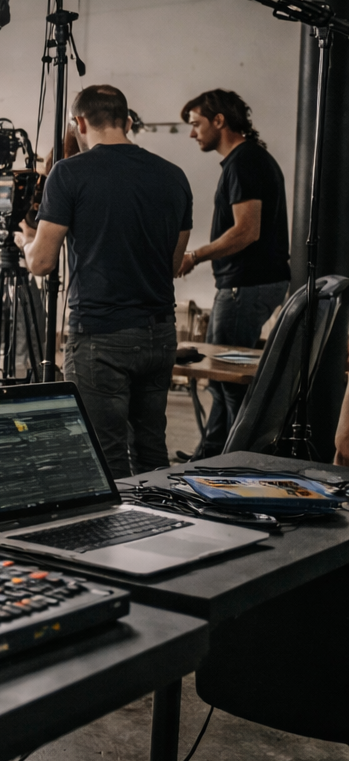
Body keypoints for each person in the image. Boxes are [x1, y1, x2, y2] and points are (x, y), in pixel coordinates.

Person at [17, 85, 192, 478]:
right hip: (160, 334)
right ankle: (160, 530)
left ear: (79, 122)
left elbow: (42, 263)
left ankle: (118, 537)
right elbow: (173, 263)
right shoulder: (173, 175)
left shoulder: (68, 172)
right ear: (127, 121)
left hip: (101, 337)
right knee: (152, 451)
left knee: (105, 458)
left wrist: (26, 239)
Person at [176, 90, 292, 458]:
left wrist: (194, 255)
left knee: (228, 380)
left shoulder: (245, 162)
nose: (193, 133)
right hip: (247, 284)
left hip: (247, 286)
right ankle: (211, 454)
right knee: (220, 379)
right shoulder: (246, 161)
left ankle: (231, 458)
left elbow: (246, 231)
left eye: (196, 124)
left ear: (219, 121)